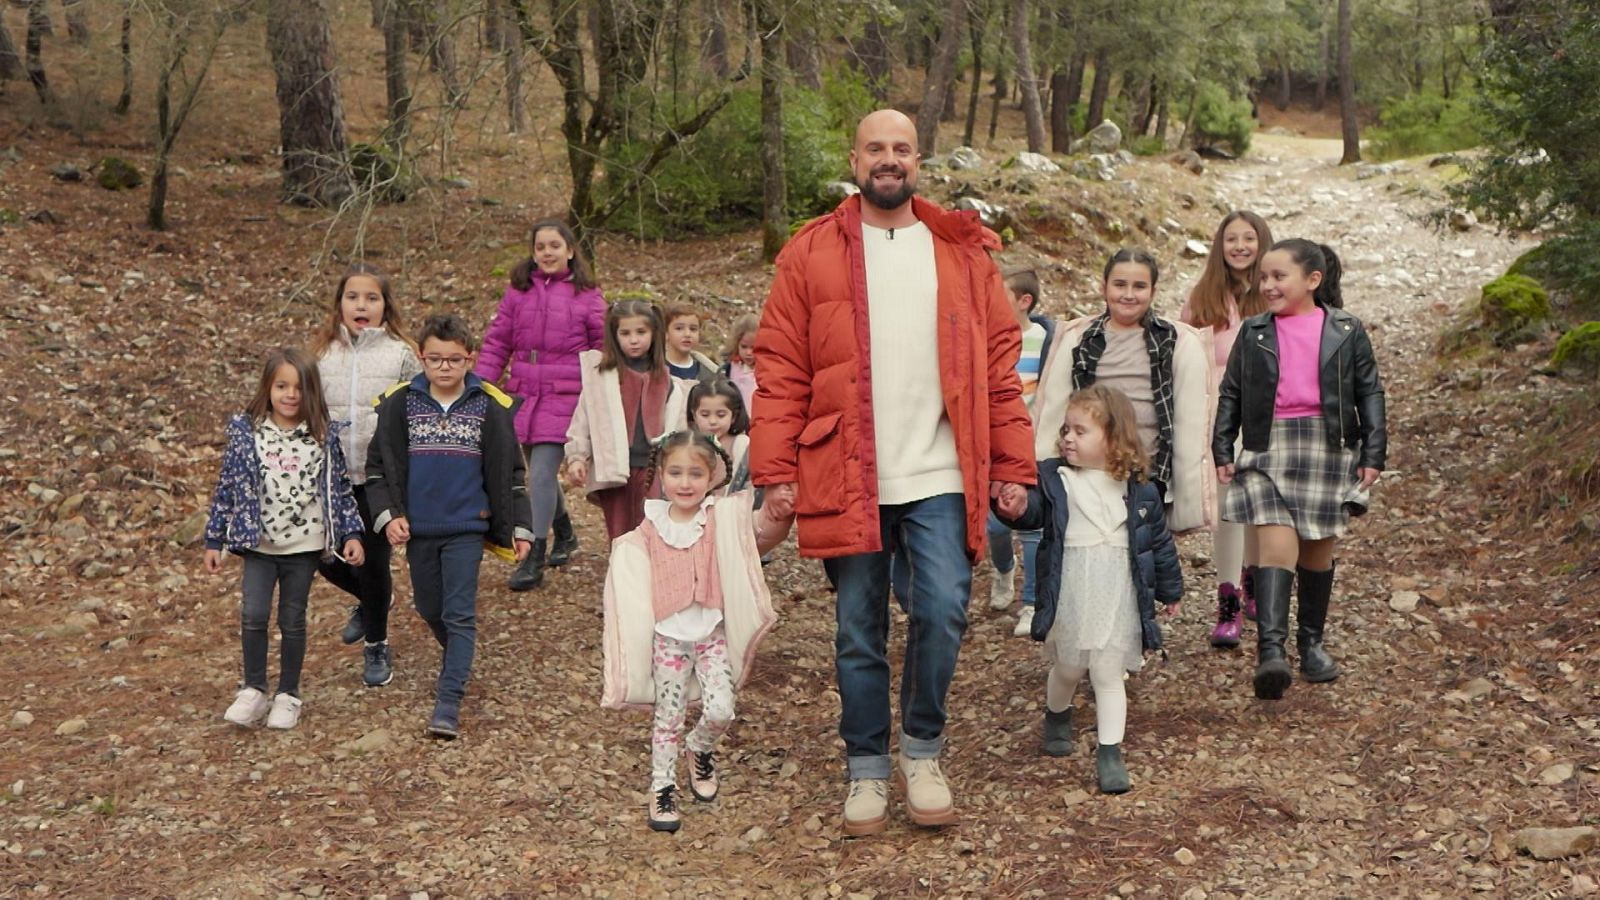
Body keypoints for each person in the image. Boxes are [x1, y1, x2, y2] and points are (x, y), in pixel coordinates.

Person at [750, 108, 1035, 836]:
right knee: (858, 629)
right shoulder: (810, 252)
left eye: (902, 149)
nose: (889, 159)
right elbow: (780, 368)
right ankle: (866, 769)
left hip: (941, 469)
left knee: (942, 609)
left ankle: (923, 749)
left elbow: (1000, 371)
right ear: (855, 158)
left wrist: (1012, 465)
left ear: (919, 160)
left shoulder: (962, 252)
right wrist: (775, 470)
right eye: (876, 147)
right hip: (846, 468)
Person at [1213, 240, 1386, 700]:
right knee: (1275, 544)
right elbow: (1231, 392)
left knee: (1315, 552)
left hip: (1326, 448)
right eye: (1263, 277)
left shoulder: (1346, 330)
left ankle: (1312, 643)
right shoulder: (1254, 332)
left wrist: (1374, 452)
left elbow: (1369, 392)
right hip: (1267, 448)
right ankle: (1271, 652)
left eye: (1278, 277)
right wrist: (1222, 445)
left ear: (1312, 280)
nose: (1267, 285)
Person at [598, 432, 795, 831]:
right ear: (660, 476)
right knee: (668, 718)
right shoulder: (649, 528)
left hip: (710, 636)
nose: (685, 483)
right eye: (675, 473)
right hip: (668, 639)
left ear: (711, 476)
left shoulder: (719, 517)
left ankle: (699, 747)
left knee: (721, 708)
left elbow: (752, 532)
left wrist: (776, 512)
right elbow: (630, 569)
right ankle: (662, 786)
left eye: (694, 473)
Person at [994, 385, 1182, 793]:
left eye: (1080, 431)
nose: (1068, 438)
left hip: (1118, 591)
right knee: (1069, 665)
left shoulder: (1140, 491)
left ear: (1113, 438)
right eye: (1066, 430)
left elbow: (1158, 544)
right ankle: (1057, 714)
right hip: (1072, 589)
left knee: (1107, 669)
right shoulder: (1056, 479)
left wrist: (1170, 589)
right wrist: (1017, 505)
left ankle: (1109, 751)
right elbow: (1034, 512)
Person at [365, 315, 534, 738]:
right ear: (421, 358)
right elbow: (377, 470)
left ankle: (449, 698)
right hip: (419, 527)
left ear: (469, 359)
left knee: (459, 615)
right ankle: (459, 657)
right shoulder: (399, 404)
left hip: (466, 526)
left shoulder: (488, 406)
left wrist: (522, 527)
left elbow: (511, 474)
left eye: (454, 359)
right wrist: (389, 515)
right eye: (435, 359)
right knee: (429, 608)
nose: (444, 367)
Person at [204, 348, 366, 730]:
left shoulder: (323, 438)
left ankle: (288, 694)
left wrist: (352, 534)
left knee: (292, 618)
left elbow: (340, 490)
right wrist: (215, 539)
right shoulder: (248, 435)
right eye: (281, 386)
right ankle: (254, 689)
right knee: (253, 614)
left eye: (298, 387)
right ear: (268, 388)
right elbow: (226, 487)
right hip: (258, 544)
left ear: (310, 393)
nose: (289, 395)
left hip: (304, 546)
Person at [1032, 249, 1214, 534]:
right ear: (1104, 287)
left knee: (1142, 562)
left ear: (1153, 291)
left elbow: (1185, 419)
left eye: (1139, 286)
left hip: (1146, 474)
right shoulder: (1081, 339)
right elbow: (1056, 406)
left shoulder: (1171, 341)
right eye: (1120, 285)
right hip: (1089, 472)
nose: (1129, 294)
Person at [475, 219, 606, 591]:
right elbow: (499, 340)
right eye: (540, 247)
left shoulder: (587, 293)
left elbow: (602, 346)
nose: (547, 252)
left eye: (554, 245)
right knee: (537, 468)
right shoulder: (518, 292)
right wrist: (481, 384)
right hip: (524, 392)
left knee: (542, 473)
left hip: (567, 394)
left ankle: (533, 552)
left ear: (570, 249)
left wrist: (601, 394)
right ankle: (566, 533)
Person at [312, 263, 422, 687]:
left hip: (379, 478)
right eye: (353, 297)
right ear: (339, 304)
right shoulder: (322, 356)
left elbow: (417, 410)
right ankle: (375, 599)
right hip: (333, 478)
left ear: (385, 306)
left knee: (374, 561)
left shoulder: (400, 353)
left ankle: (376, 643)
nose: (362, 304)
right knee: (323, 556)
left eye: (371, 298)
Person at [1179, 211, 1274, 649]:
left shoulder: (1276, 290)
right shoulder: (1203, 297)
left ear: (1262, 242)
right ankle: (1228, 602)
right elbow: (1183, 357)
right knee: (1229, 510)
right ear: (1219, 245)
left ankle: (1254, 581)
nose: (1239, 246)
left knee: (1259, 504)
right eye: (1231, 238)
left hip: (1268, 414)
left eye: (1248, 238)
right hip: (1220, 416)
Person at [565, 300, 692, 541]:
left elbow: (678, 424)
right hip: (615, 470)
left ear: (654, 334)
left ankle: (652, 577)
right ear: (614, 336)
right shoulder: (602, 378)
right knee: (621, 533)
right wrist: (577, 457)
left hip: (654, 468)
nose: (634, 340)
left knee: (653, 528)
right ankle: (622, 576)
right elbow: (584, 420)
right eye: (625, 333)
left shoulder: (667, 380)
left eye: (641, 332)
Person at [986, 268, 1056, 637]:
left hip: (1035, 447)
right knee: (995, 524)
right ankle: (1002, 570)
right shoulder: (987, 339)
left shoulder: (1047, 341)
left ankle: (1030, 603)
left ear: (1024, 301)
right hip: (995, 447)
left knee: (1033, 527)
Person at [687, 378, 752, 495]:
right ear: (694, 415)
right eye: (705, 415)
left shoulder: (741, 444)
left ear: (733, 416)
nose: (713, 421)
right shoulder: (688, 444)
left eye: (721, 415)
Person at [662, 304, 718, 384]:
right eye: (679, 328)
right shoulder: (653, 368)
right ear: (666, 333)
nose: (687, 334)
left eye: (693, 329)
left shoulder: (709, 373)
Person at [718, 313, 761, 416]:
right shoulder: (729, 369)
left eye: (753, 348)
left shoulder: (766, 369)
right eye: (744, 347)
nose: (748, 353)